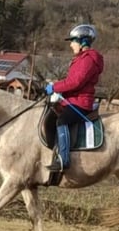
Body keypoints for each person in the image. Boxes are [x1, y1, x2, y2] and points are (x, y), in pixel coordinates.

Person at [44, 24, 104, 172]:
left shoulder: (88, 59)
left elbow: (75, 82)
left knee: (62, 120)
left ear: (83, 42)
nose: (71, 45)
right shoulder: (80, 59)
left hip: (81, 102)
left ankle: (63, 160)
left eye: (73, 41)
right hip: (71, 100)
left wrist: (55, 87)